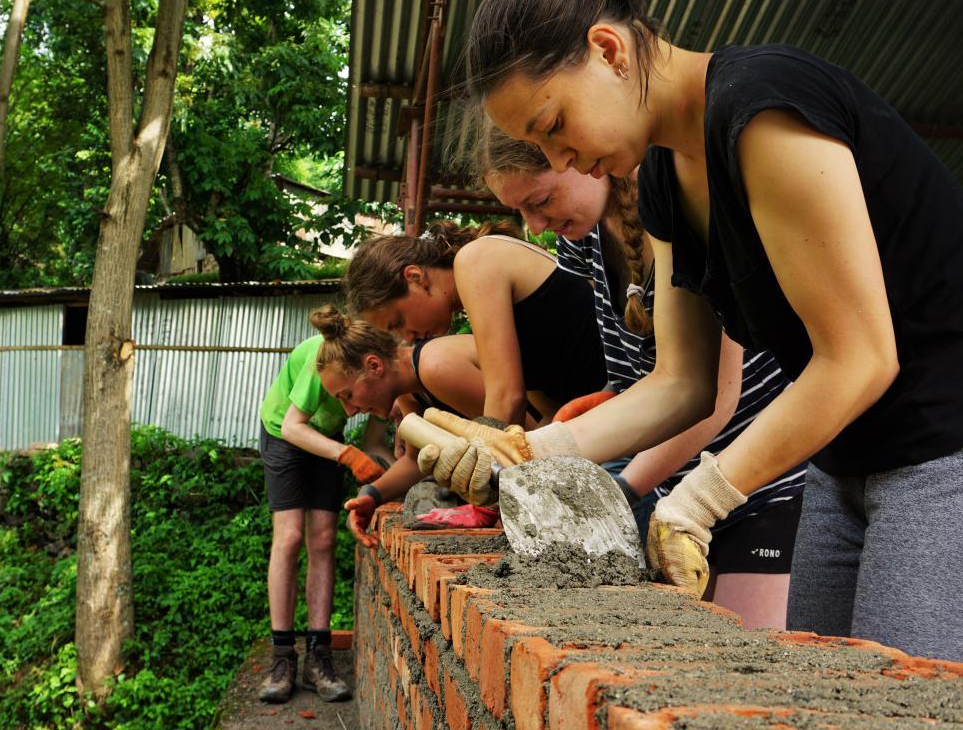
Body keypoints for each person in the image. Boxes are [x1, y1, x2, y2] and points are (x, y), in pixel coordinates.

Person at [421, 0, 963, 675]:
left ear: (609, 51)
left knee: (927, 701)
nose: (560, 161)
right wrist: (524, 454)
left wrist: (699, 500)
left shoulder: (762, 109)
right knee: (824, 694)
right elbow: (682, 385)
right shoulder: (667, 182)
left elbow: (861, 356)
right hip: (847, 458)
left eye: (553, 128)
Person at [474, 127, 804, 629]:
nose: (535, 226)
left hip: (755, 480)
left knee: (745, 662)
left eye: (540, 200)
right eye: (521, 212)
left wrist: (625, 489)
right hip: (676, 482)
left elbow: (711, 398)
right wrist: (596, 411)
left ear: (578, 157)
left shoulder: (683, 212)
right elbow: (631, 380)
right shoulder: (581, 243)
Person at [305, 305, 540, 545]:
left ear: (374, 366)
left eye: (348, 395)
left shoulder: (435, 368)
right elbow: (412, 461)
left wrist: (486, 510)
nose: (349, 410)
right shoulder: (410, 391)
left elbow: (526, 434)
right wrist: (370, 495)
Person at [345, 220, 607, 425]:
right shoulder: (478, 302)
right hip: (603, 417)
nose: (408, 336)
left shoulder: (475, 260)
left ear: (415, 277)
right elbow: (552, 411)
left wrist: (485, 466)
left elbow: (506, 397)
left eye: (399, 321)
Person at [255, 331, 387, 703]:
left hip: (326, 438)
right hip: (285, 433)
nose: (349, 407)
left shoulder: (374, 360)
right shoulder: (321, 362)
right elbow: (292, 427)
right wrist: (347, 455)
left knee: (325, 540)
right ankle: (282, 657)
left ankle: (319, 656)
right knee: (290, 536)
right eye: (342, 398)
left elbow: (383, 429)